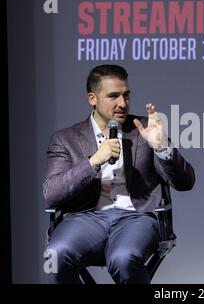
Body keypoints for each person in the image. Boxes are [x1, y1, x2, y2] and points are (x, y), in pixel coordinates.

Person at [43, 64, 195, 284]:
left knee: (123, 258)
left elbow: (185, 182)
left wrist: (162, 146)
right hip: (85, 217)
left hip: (137, 217)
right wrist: (94, 161)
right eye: (113, 96)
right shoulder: (65, 139)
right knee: (54, 256)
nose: (122, 103)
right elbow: (52, 193)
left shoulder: (144, 129)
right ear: (92, 98)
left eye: (126, 95)